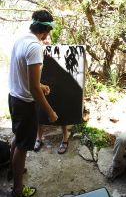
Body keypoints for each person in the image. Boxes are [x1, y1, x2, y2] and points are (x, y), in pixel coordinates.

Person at [8, 10, 58, 197]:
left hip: (13, 97)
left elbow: (27, 77)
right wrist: (50, 111)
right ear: (45, 30)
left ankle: (14, 171)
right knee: (22, 147)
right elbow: (33, 89)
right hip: (24, 103)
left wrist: (41, 85)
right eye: (49, 30)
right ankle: (17, 190)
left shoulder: (21, 39)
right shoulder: (35, 47)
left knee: (18, 137)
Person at [34, 36, 69, 154]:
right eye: (44, 39)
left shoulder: (58, 50)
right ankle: (39, 138)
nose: (46, 41)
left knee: (61, 112)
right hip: (42, 85)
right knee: (40, 112)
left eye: (48, 38)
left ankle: (65, 139)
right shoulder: (36, 51)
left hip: (57, 85)